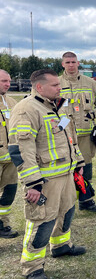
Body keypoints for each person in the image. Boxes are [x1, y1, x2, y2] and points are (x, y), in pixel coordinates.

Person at [9, 69, 86, 279]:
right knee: (41, 221)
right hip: (45, 179)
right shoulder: (26, 109)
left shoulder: (59, 106)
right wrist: (33, 183)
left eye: (59, 85)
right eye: (55, 85)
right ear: (39, 87)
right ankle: (32, 267)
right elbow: (21, 149)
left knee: (67, 212)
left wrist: (78, 161)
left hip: (66, 174)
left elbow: (70, 137)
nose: (59, 88)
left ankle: (61, 246)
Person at [59, 51, 96, 212]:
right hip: (63, 135)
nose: (71, 65)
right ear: (62, 64)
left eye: (73, 62)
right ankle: (66, 203)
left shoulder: (90, 83)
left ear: (78, 63)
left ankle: (86, 200)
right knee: (65, 168)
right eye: (68, 62)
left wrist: (94, 114)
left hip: (85, 134)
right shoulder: (56, 83)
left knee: (85, 166)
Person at [0, 70, 19, 239]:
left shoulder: (12, 102)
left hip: (11, 158)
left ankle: (3, 224)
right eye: (3, 81)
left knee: (10, 191)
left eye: (8, 81)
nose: (7, 84)